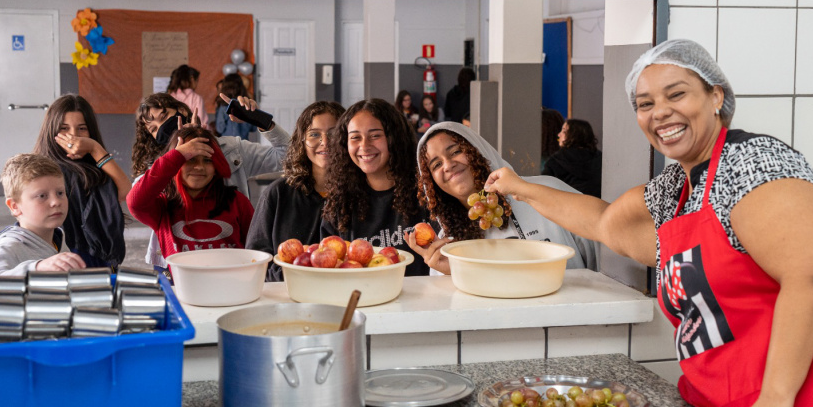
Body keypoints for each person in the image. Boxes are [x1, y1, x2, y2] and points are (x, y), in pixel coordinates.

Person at [484, 39, 813, 407]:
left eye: (676, 94)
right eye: (645, 104)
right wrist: (520, 188)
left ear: (716, 96)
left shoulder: (755, 163)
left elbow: (808, 279)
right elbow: (605, 223)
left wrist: (774, 403)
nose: (660, 112)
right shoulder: (675, 189)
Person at [405, 122, 596, 274]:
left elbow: (599, 248)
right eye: (436, 164)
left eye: (455, 151)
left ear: (477, 150)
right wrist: (454, 272)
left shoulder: (546, 190)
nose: (448, 165)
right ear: (431, 182)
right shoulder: (446, 248)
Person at [132, 92, 290, 270]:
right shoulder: (156, 169)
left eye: (163, 117)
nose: (161, 127)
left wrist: (261, 120)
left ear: (181, 110)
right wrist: (177, 155)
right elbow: (138, 201)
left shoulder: (231, 150)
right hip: (177, 264)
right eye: (153, 129)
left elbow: (289, 156)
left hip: (231, 263)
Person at [320, 99, 434, 276]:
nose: (364, 146)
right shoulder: (339, 203)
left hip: (420, 300)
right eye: (355, 137)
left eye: (375, 135)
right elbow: (328, 268)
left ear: (394, 138)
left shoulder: (426, 192)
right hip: (361, 300)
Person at [127, 126, 255, 274]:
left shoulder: (237, 201)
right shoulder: (162, 207)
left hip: (234, 289)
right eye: (190, 159)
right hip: (183, 291)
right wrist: (177, 155)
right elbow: (135, 202)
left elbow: (255, 248)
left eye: (207, 160)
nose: (199, 167)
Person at [246, 101, 345, 281]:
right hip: (287, 296)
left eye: (333, 133)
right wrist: (293, 278)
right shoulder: (277, 194)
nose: (325, 142)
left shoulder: (359, 194)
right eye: (314, 134)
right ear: (302, 140)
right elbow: (255, 258)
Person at [33, 95, 129, 269]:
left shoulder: (95, 163)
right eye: (64, 128)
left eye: (82, 128)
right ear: (51, 130)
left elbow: (125, 191)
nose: (73, 137)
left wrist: (95, 148)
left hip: (99, 260)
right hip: (66, 258)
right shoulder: (44, 168)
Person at [0, 154, 87, 275]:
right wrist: (37, 268)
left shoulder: (58, 238)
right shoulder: (8, 246)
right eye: (42, 196)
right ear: (15, 206)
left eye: (60, 193)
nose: (56, 202)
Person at [542, 118, 602, 198]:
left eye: (564, 131)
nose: (559, 134)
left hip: (565, 207)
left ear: (573, 135)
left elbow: (543, 190)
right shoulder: (601, 159)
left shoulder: (556, 161)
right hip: (598, 206)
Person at [167, 64, 209, 129]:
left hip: (173, 136)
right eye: (197, 81)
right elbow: (202, 123)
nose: (197, 84)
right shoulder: (196, 98)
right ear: (192, 79)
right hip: (192, 135)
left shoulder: (170, 96)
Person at [215, 73, 256, 139]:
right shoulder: (247, 104)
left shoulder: (223, 106)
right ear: (241, 86)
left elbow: (220, 128)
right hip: (244, 144)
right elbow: (253, 128)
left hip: (228, 144)